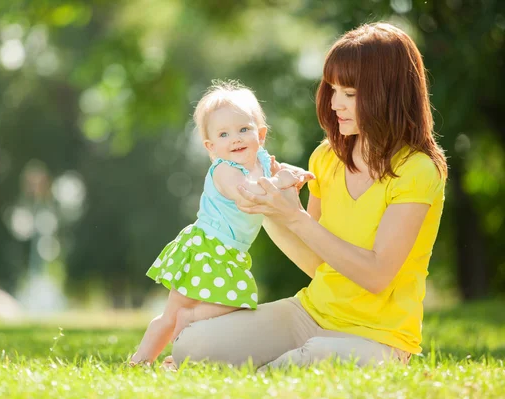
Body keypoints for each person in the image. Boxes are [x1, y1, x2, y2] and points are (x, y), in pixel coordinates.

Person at [170, 22, 448, 370]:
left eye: (349, 93)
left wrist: (295, 217)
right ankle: (276, 363)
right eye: (332, 90)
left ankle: (276, 367)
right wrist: (271, 207)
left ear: (388, 92)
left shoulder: (418, 170)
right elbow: (317, 265)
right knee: (190, 347)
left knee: (304, 361)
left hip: (377, 337)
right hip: (310, 314)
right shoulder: (327, 157)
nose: (334, 104)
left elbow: (377, 276)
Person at [130, 80, 311, 365]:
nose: (235, 139)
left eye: (243, 130)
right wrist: (279, 182)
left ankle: (186, 325)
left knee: (235, 302)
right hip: (207, 246)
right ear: (211, 147)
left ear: (260, 135)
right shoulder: (225, 171)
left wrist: (294, 173)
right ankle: (140, 360)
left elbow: (279, 171)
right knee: (172, 315)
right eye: (224, 134)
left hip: (231, 252)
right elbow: (248, 197)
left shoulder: (261, 161)